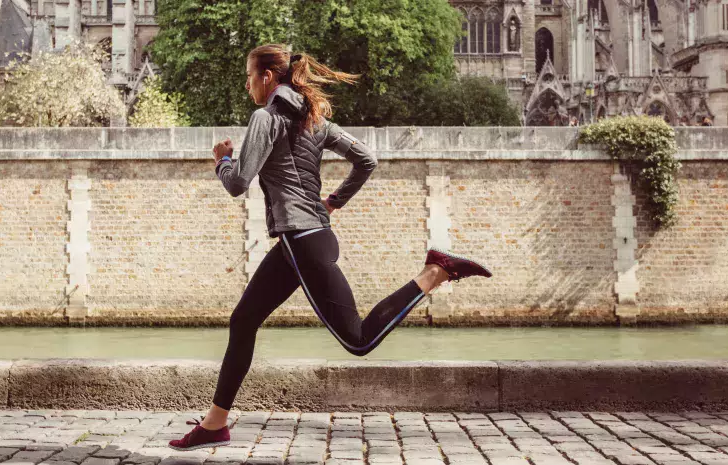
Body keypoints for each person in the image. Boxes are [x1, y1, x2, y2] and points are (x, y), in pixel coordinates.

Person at [168, 44, 494, 451]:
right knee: (243, 320)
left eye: (250, 75)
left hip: (303, 242)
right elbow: (367, 159)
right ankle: (215, 424)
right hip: (301, 239)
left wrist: (222, 160)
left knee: (358, 340)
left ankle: (435, 271)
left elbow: (237, 183)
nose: (247, 83)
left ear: (268, 77)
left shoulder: (265, 117)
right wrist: (333, 202)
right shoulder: (313, 118)